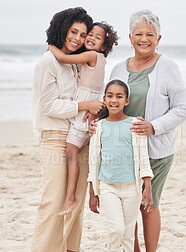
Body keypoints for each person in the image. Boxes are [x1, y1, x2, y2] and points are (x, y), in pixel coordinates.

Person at [90, 10, 186, 252]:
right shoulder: (119, 68)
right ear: (131, 37)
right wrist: (96, 122)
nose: (143, 39)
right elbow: (111, 103)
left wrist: (153, 126)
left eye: (149, 35)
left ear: (158, 38)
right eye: (138, 34)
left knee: (149, 204)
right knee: (127, 206)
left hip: (156, 150)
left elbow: (182, 109)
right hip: (123, 151)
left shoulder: (168, 67)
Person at [30, 7, 96, 252]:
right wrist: (83, 105)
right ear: (62, 29)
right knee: (54, 199)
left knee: (76, 202)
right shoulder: (48, 62)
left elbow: (91, 94)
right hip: (55, 136)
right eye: (73, 32)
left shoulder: (78, 62)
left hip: (81, 138)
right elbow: (48, 105)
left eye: (82, 34)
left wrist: (93, 115)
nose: (78, 38)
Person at [48, 21, 119, 216]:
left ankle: (71, 196)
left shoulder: (91, 55)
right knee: (88, 154)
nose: (91, 38)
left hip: (85, 105)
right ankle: (89, 191)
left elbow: (63, 58)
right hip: (92, 102)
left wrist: (51, 47)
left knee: (71, 150)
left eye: (97, 38)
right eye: (90, 35)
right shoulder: (100, 58)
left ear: (103, 46)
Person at [88, 79, 154, 252]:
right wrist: (93, 191)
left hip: (132, 187)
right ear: (104, 99)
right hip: (108, 186)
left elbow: (143, 157)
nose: (114, 100)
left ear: (127, 100)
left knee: (128, 228)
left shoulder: (135, 123)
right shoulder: (98, 127)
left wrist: (147, 187)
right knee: (115, 227)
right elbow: (93, 160)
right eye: (110, 95)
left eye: (119, 96)